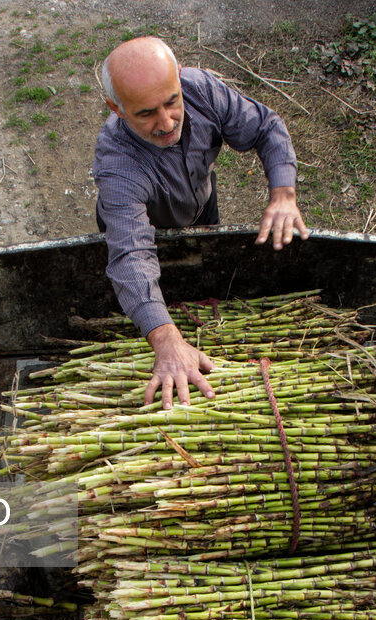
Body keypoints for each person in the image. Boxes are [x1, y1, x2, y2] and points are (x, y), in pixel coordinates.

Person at [93, 36, 309, 409]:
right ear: (117, 108)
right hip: (151, 232)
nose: (166, 122)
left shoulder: (200, 88)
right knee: (150, 292)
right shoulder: (117, 163)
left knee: (202, 276)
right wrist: (165, 341)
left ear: (179, 79)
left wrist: (283, 193)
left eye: (171, 102)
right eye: (145, 113)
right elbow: (131, 255)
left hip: (201, 208)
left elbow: (264, 127)